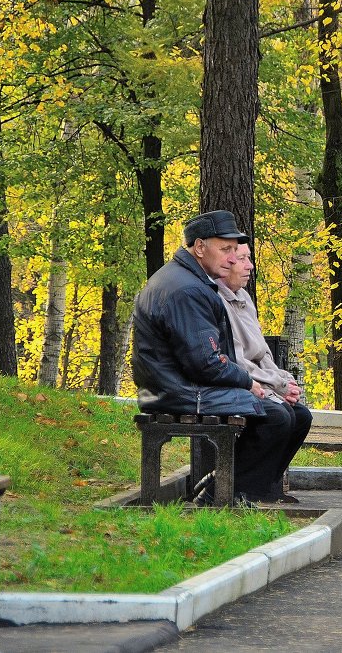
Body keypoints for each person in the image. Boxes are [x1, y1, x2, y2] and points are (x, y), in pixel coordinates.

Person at [132, 209, 297, 506]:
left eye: (235, 250)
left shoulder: (188, 280)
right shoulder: (186, 290)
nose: (234, 259)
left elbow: (208, 358)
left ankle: (234, 489)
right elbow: (205, 362)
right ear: (199, 247)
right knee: (275, 417)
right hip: (177, 392)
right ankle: (217, 495)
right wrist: (247, 382)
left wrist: (253, 382)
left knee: (289, 414)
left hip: (178, 385)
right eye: (226, 250)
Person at [215, 241, 311, 503]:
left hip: (258, 381)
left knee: (301, 415)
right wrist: (277, 387)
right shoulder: (217, 301)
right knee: (278, 416)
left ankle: (265, 486)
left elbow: (262, 354)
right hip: (232, 384)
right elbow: (236, 361)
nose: (250, 266)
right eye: (243, 259)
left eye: (249, 258)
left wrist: (283, 381)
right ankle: (233, 488)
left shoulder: (244, 298)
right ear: (226, 264)